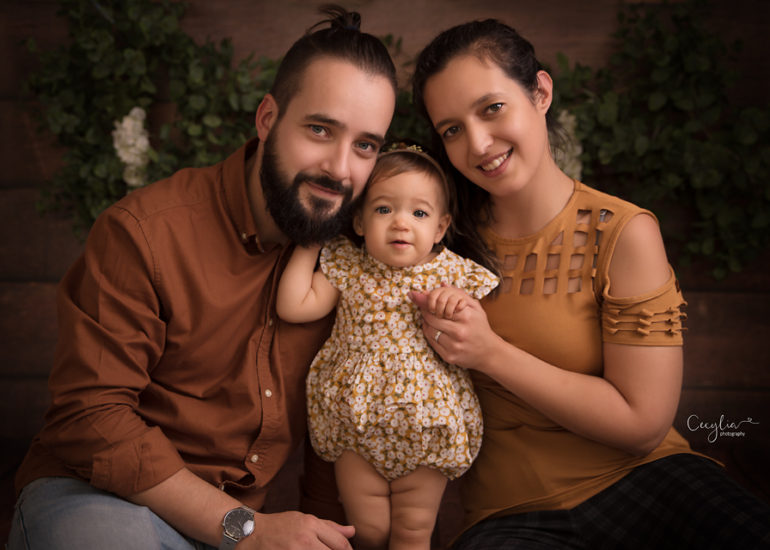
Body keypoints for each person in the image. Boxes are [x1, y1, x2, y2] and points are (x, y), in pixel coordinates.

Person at [7, 6, 397, 550]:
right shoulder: (144, 233)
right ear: (267, 120)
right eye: (319, 129)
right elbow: (91, 416)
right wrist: (246, 530)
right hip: (102, 499)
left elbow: (342, 425)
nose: (340, 168)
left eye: (365, 146)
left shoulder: (355, 259)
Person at [407, 18, 770, 549]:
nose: (479, 143)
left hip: (649, 479)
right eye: (452, 129)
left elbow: (642, 424)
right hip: (511, 514)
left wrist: (490, 353)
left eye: (492, 108)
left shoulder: (622, 233)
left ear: (541, 93)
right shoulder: (437, 238)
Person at [276, 143, 499, 550]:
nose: (400, 223)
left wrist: (458, 305)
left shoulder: (451, 275)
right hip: (355, 426)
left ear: (440, 227)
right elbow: (293, 307)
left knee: (412, 533)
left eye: (419, 213)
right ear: (358, 221)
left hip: (426, 425)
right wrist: (311, 242)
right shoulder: (349, 266)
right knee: (371, 531)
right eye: (383, 210)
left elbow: (477, 330)